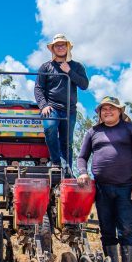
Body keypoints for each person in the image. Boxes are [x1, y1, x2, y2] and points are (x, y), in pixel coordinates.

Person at [76, 96, 132, 262]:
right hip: (101, 189)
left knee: (127, 230)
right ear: (99, 113)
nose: (107, 111)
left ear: (120, 111)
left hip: (126, 188)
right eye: (103, 108)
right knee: (107, 230)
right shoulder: (93, 132)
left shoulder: (131, 130)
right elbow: (82, 156)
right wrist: (83, 172)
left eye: (111, 108)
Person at [34, 33, 89, 171]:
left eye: (62, 45)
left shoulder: (77, 66)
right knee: (50, 127)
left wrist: (69, 71)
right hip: (52, 108)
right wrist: (43, 105)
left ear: (68, 47)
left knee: (67, 141)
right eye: (56, 45)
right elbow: (38, 88)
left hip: (70, 110)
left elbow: (84, 85)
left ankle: (68, 169)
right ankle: (56, 162)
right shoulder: (45, 67)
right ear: (52, 49)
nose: (60, 48)